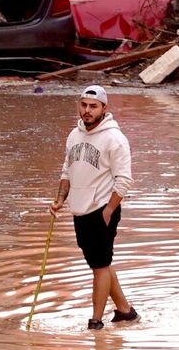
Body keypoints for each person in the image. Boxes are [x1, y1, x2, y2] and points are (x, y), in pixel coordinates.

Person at [50, 85, 137, 330]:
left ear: (104, 109)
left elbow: (124, 180)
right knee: (101, 263)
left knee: (99, 267)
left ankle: (95, 322)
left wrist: (108, 211)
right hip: (79, 210)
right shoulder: (74, 135)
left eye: (93, 106)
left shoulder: (114, 138)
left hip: (102, 210)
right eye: (84, 105)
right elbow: (67, 171)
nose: (87, 111)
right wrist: (60, 200)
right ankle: (125, 311)